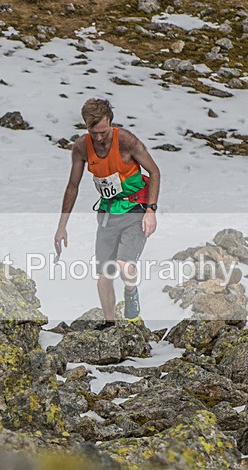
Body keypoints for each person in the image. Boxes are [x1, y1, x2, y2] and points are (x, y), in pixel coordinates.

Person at [54, 98, 161, 329]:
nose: (99, 137)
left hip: (135, 210)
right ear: (86, 126)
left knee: (123, 264)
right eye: (94, 132)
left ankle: (131, 294)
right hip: (107, 214)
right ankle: (110, 323)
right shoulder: (81, 148)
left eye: (103, 131)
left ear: (110, 122)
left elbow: (154, 172)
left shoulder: (126, 141)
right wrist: (62, 226)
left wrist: (151, 210)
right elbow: (73, 186)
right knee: (104, 276)